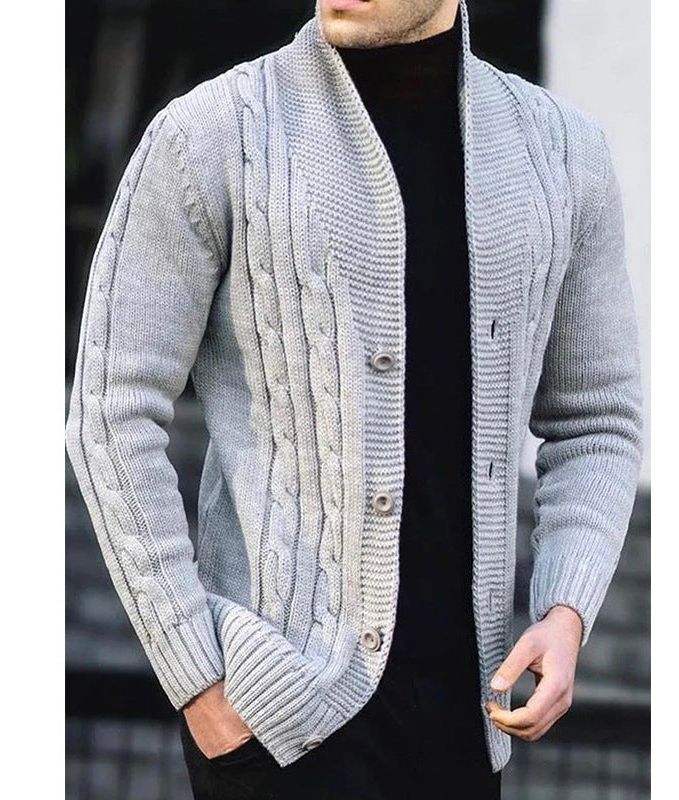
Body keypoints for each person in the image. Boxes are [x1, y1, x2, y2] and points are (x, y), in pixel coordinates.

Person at [64, 1, 644, 797]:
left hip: (466, 728)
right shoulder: (209, 137)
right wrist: (199, 680)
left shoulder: (565, 154)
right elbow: (110, 408)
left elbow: (598, 419)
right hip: (273, 726)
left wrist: (566, 610)